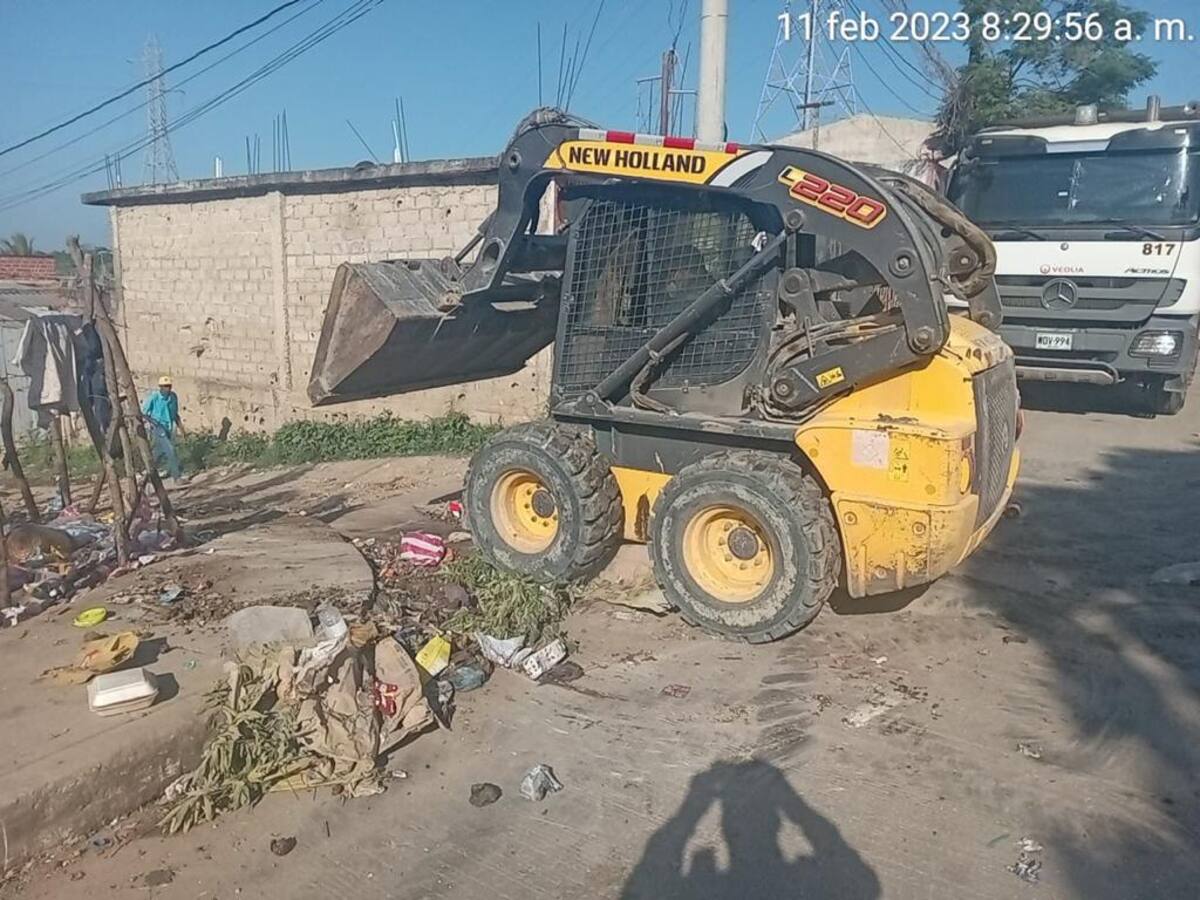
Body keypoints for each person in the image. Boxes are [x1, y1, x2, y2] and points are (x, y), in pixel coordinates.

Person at [142, 375, 186, 482]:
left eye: (169, 386)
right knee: (170, 450)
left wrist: (182, 429)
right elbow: (143, 413)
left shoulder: (173, 397)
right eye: (165, 386)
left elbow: (175, 413)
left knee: (158, 452)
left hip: (168, 427)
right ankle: (177, 477)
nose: (167, 389)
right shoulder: (154, 397)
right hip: (158, 427)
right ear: (160, 387)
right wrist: (153, 422)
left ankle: (147, 473)